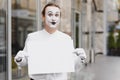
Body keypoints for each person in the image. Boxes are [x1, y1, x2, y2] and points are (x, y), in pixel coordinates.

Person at [14, 2, 86, 80]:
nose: (53, 18)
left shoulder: (66, 39)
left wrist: (80, 58)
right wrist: (19, 59)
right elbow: (26, 61)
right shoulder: (32, 37)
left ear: (59, 18)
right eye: (50, 14)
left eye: (56, 15)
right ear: (43, 17)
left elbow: (73, 63)